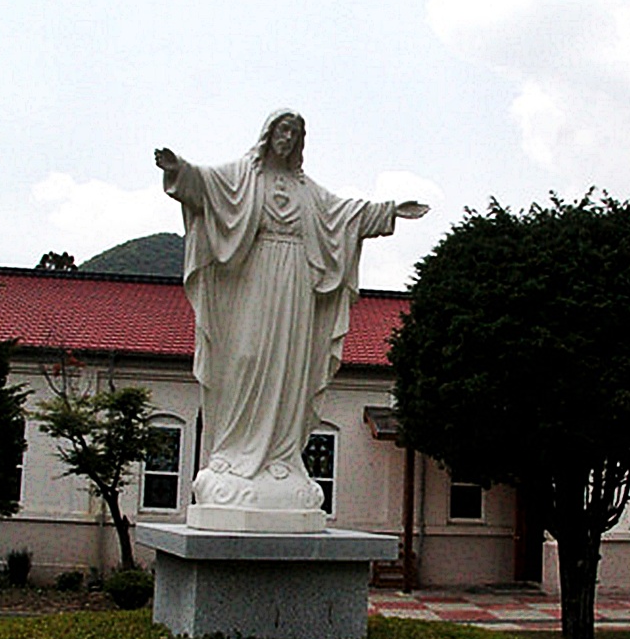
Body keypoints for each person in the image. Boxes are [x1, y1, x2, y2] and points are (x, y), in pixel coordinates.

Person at [155, 109, 428, 530]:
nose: (289, 137)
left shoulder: (307, 191)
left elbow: (346, 214)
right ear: (269, 133)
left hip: (297, 283)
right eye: (283, 129)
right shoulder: (243, 176)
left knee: (290, 369)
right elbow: (205, 185)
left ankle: (281, 457)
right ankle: (235, 453)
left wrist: (390, 210)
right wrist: (178, 170)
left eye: (296, 133)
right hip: (255, 277)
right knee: (246, 358)